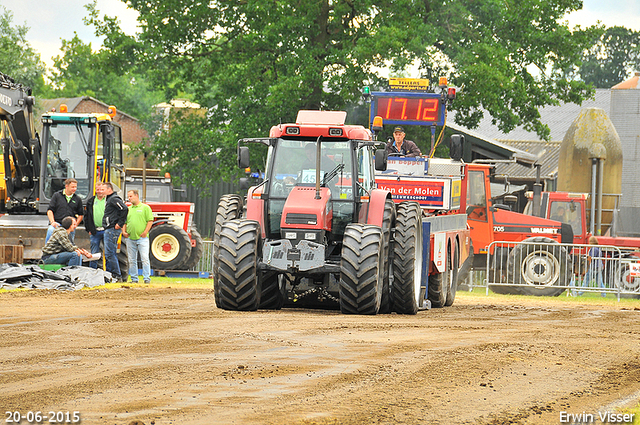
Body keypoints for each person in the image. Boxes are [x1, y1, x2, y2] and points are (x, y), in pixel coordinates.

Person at [122, 189, 154, 284]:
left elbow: (150, 220)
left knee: (144, 258)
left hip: (142, 238)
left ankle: (146, 278)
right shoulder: (128, 209)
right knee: (131, 260)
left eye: (131, 196)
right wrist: (124, 231)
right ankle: (134, 279)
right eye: (128, 197)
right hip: (130, 238)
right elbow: (125, 222)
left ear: (136, 196)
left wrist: (145, 232)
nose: (129, 198)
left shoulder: (145, 208)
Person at [102, 182, 129, 281]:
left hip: (112, 229)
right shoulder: (110, 199)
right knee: (109, 253)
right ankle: (109, 275)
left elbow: (124, 209)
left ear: (109, 189)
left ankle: (117, 275)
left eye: (104, 189)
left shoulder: (114, 199)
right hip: (110, 228)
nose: (102, 191)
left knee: (110, 253)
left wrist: (120, 223)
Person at [46, 178, 84, 243]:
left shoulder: (78, 199)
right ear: (66, 186)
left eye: (75, 187)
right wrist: (52, 222)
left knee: (69, 245)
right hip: (57, 224)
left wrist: (75, 225)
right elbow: (50, 210)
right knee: (50, 230)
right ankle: (47, 250)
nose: (74, 189)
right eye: (72, 187)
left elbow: (81, 214)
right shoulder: (57, 196)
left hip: (70, 226)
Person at [84, 182, 108, 269]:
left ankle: (109, 272)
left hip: (106, 230)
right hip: (95, 231)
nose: (100, 191)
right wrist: (88, 229)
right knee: (93, 253)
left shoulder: (108, 201)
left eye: (102, 189)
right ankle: (92, 271)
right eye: (98, 189)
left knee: (109, 252)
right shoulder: (91, 201)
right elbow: (87, 216)